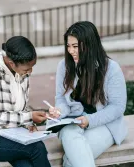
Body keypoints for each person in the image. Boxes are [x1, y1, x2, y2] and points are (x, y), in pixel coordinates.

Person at [49, 21, 128, 167]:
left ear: (90, 45)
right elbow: (61, 99)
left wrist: (89, 120)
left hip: (105, 124)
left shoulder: (111, 69)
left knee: (69, 162)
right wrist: (59, 111)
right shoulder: (64, 66)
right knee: (68, 134)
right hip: (73, 122)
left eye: (75, 46)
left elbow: (117, 107)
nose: (70, 51)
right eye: (68, 46)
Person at [0, 36, 51, 167]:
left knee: (26, 165)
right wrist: (27, 117)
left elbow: (20, 109)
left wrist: (28, 123)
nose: (30, 72)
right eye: (27, 69)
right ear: (11, 63)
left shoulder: (21, 73)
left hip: (12, 135)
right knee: (36, 148)